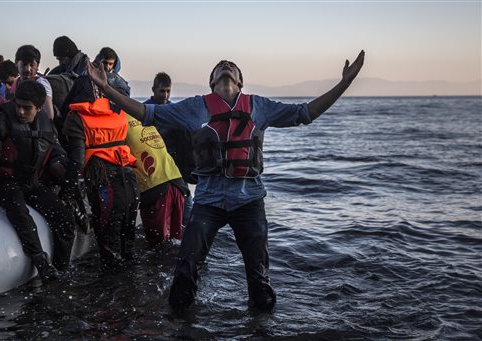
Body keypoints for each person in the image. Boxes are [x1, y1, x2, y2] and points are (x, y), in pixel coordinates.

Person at [86, 50, 365, 311]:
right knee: (185, 272)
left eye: (231, 67)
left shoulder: (259, 106)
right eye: (220, 67)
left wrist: (344, 84)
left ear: (240, 81)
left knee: (260, 281)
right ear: (212, 82)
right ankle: (181, 325)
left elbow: (306, 113)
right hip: (208, 201)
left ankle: (261, 326)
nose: (226, 67)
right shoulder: (195, 108)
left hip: (250, 201)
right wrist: (107, 89)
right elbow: (146, 113)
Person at [0, 80, 76, 281]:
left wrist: (67, 181)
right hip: (3, 183)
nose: (20, 112)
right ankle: (41, 262)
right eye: (18, 105)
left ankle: (62, 269)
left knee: (64, 217)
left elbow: (57, 153)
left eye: (27, 108)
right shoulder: (0, 123)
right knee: (19, 210)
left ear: (37, 108)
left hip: (31, 183)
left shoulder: (47, 126)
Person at [60, 72, 139, 269]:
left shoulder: (77, 117)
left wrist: (67, 192)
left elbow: (77, 162)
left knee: (109, 252)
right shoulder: (117, 112)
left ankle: (113, 294)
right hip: (130, 183)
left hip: (106, 187)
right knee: (128, 248)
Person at [126, 96, 189, 246]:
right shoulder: (142, 113)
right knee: (176, 242)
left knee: (158, 246)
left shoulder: (115, 120)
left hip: (155, 187)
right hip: (177, 181)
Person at [145, 72, 196, 226]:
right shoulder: (144, 110)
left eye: (168, 91)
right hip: (154, 169)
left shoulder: (175, 111)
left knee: (187, 209)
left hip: (176, 169)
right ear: (154, 89)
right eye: (162, 91)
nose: (165, 95)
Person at [10, 45, 55, 120]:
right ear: (16, 63)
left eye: (32, 65)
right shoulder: (15, 83)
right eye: (24, 64)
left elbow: (49, 116)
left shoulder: (41, 83)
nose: (28, 69)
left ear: (37, 66)